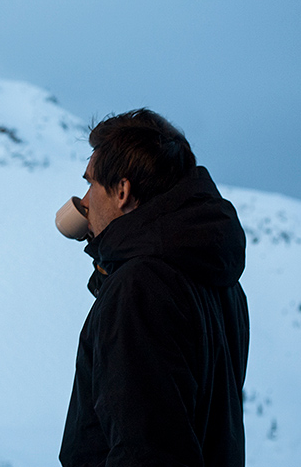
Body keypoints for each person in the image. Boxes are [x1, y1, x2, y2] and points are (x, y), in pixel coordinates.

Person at [59, 109, 250, 466]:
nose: (84, 201)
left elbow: (146, 451)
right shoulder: (221, 282)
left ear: (122, 191)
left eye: (91, 183)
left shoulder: (138, 288)